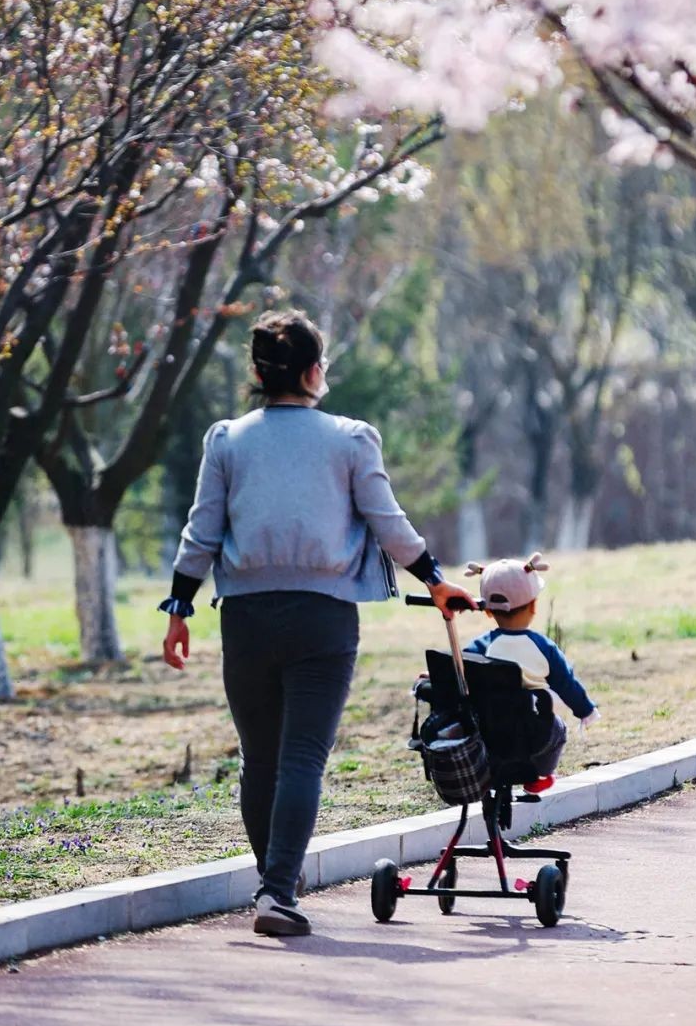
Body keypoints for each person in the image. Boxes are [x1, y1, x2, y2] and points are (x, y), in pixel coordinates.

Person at [158, 309, 474, 938]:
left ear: (257, 371)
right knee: (303, 758)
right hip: (323, 620)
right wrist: (436, 582)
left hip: (245, 617)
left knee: (261, 760)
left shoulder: (226, 440)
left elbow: (202, 532)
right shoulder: (350, 439)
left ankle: (274, 883)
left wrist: (179, 608)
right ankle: (278, 889)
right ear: (311, 371)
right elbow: (389, 524)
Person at [462, 553, 598, 792]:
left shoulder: (480, 646)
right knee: (558, 728)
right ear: (533, 606)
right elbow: (566, 683)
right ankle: (538, 776)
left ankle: (492, 772)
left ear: (488, 611)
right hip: (534, 731)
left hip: (489, 730)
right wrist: (585, 710)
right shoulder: (543, 646)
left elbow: (459, 669)